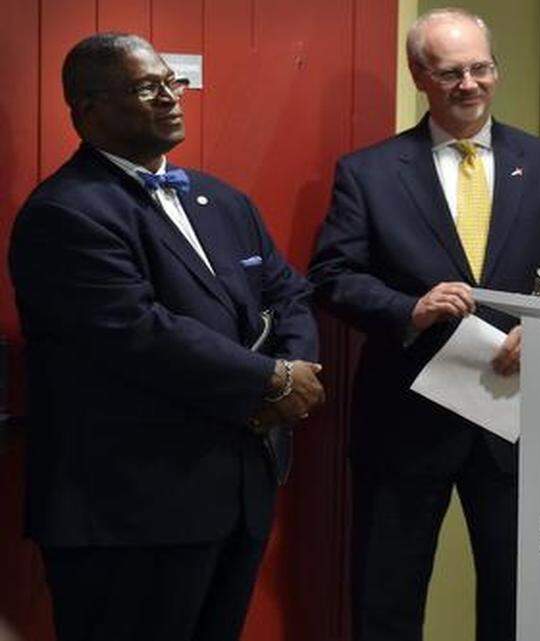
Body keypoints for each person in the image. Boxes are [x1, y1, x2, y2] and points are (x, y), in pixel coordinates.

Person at [308, 8, 540, 640]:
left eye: (480, 68)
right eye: (450, 73)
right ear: (419, 76)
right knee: (387, 597)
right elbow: (333, 276)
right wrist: (407, 310)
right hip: (405, 415)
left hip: (517, 413)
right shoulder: (368, 172)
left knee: (517, 598)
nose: (469, 84)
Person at [8, 33, 324, 641]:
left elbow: (289, 294)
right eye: (145, 87)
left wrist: (295, 371)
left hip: (233, 495)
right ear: (88, 109)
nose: (170, 98)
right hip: (127, 512)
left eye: (171, 83)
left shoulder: (223, 201)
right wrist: (271, 379)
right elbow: (139, 333)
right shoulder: (65, 212)